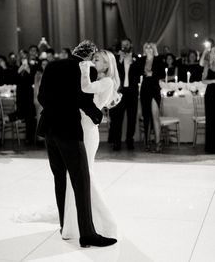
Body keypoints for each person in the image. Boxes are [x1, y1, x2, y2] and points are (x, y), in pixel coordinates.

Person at [37, 40, 117, 248]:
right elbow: (83, 100)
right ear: (89, 57)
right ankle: (87, 234)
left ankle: (65, 226)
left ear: (74, 51)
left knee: (59, 179)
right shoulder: (85, 70)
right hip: (69, 131)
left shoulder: (52, 65)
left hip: (49, 130)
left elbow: (41, 97)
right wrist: (97, 116)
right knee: (81, 180)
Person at [62, 49, 121, 240]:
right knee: (76, 176)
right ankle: (74, 226)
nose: (93, 60)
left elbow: (86, 88)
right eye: (93, 58)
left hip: (88, 131)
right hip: (81, 127)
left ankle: (107, 222)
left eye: (97, 59)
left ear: (107, 64)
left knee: (86, 176)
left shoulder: (107, 81)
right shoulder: (100, 80)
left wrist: (84, 67)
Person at [108, 38, 141, 151]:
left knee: (132, 118)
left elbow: (139, 73)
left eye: (127, 44)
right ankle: (117, 142)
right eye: (123, 44)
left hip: (132, 92)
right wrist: (121, 60)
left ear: (130, 45)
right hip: (120, 92)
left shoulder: (136, 58)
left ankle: (129, 140)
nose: (125, 46)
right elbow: (112, 73)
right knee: (118, 118)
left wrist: (132, 61)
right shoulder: (116, 59)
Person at [140, 43, 165, 153]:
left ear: (154, 49)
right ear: (144, 50)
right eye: (146, 47)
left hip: (155, 89)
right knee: (146, 117)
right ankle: (147, 142)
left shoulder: (158, 59)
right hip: (145, 89)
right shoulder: (141, 60)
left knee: (155, 116)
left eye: (151, 47)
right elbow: (135, 72)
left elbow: (162, 74)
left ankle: (158, 143)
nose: (148, 49)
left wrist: (152, 74)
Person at [202, 45, 215, 153]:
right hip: (210, 94)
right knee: (211, 120)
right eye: (214, 51)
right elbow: (203, 80)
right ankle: (211, 147)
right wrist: (213, 81)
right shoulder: (207, 65)